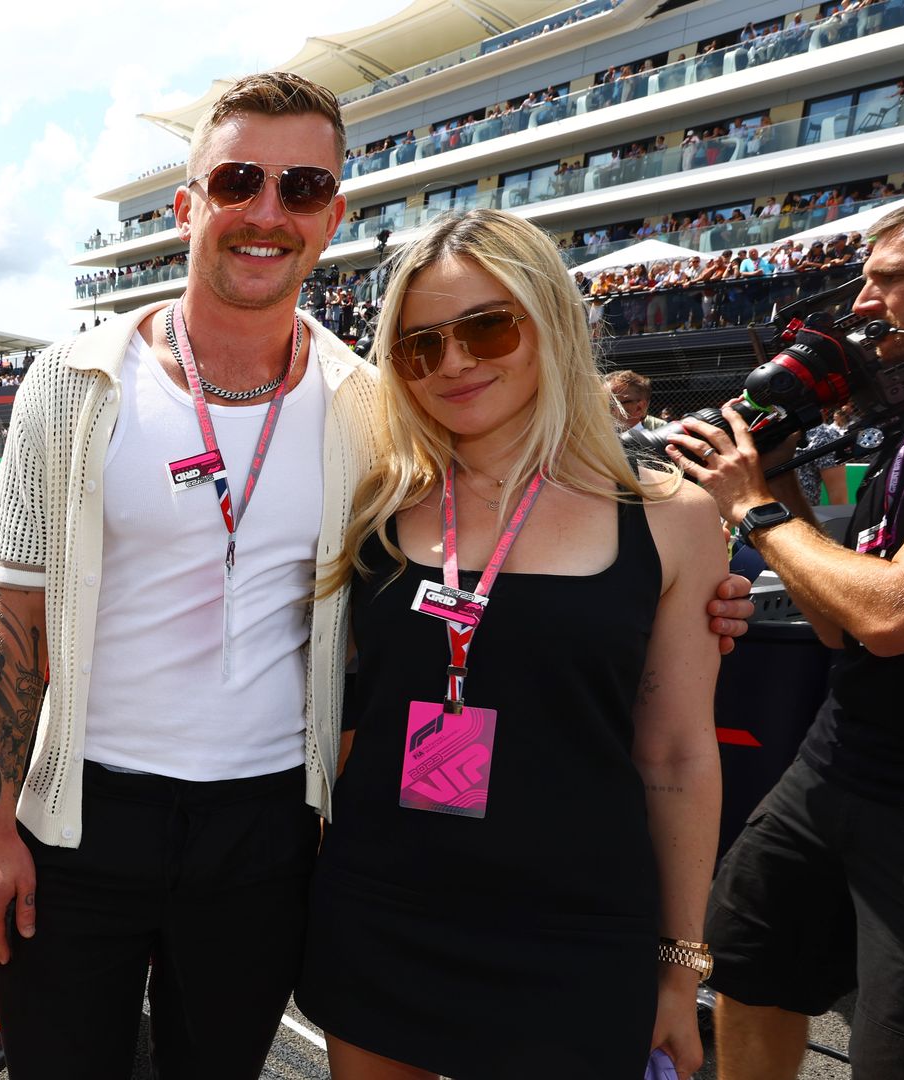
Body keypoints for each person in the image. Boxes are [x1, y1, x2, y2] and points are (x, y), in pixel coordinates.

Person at [0, 72, 755, 1080]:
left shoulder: (368, 409)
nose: (267, 211)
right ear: (188, 203)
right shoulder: (76, 381)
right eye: (239, 179)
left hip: (270, 834)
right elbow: (15, 608)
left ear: (332, 214)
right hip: (84, 818)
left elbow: (554, 606)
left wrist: (687, 604)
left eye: (301, 188)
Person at [295, 210, 723, 1079]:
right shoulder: (372, 504)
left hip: (576, 928)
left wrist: (681, 962)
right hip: (383, 909)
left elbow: (676, 754)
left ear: (552, 323)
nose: (454, 362)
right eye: (420, 346)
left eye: (487, 326)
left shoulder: (672, 519)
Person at [677, 198, 904, 1079]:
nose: (861, 304)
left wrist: (756, 506)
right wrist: (777, 473)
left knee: (896, 1048)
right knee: (744, 957)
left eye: (890, 280)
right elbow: (837, 621)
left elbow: (895, 617)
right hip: (846, 752)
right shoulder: (903, 427)